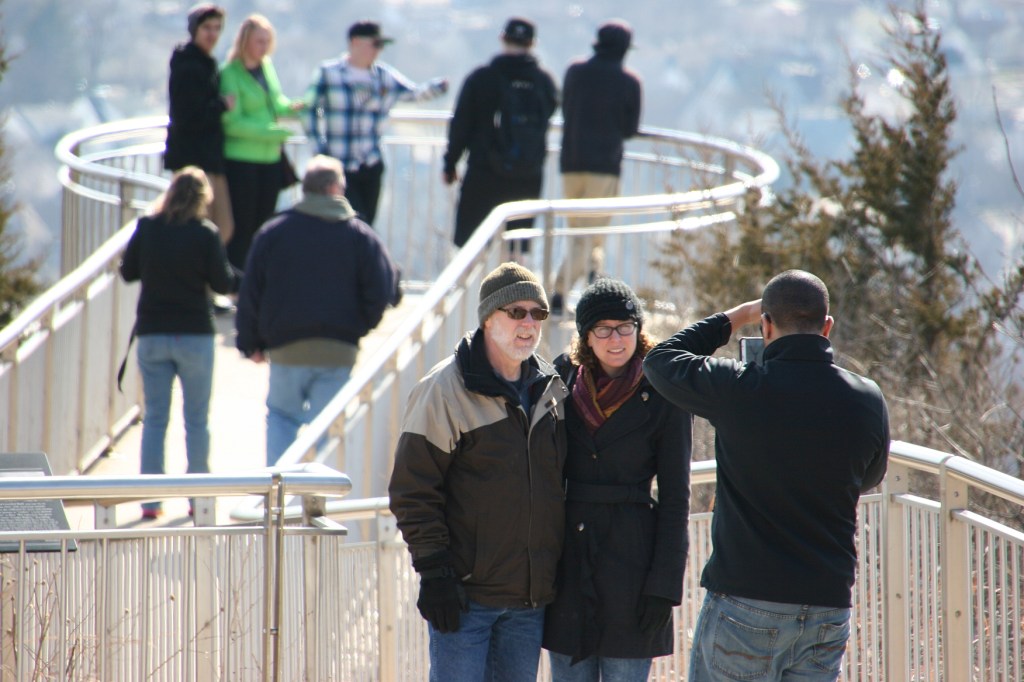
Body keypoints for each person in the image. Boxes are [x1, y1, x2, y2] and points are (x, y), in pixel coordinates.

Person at [642, 270, 890, 682]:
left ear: (766, 325)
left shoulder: (739, 388)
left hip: (747, 598)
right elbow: (868, 477)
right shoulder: (867, 397)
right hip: (828, 604)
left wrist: (735, 317)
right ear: (827, 326)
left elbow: (660, 361)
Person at [388, 262, 568, 682]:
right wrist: (434, 572)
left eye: (538, 313)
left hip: (528, 602)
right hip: (465, 599)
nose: (529, 324)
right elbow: (412, 490)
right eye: (516, 312)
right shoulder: (443, 390)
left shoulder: (550, 390)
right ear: (488, 318)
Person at [542, 278, 691, 681]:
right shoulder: (560, 378)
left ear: (639, 329)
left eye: (625, 327)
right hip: (570, 565)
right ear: (585, 336)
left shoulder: (663, 388)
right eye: (603, 329)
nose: (616, 339)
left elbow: (676, 498)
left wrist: (664, 587)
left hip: (634, 569)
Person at [235, 155, 401, 466]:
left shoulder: (274, 232)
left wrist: (250, 342)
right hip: (338, 351)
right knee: (328, 431)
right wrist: (358, 327)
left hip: (285, 349)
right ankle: (321, 494)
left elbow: (250, 292)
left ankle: (280, 491)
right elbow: (383, 288)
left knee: (282, 418)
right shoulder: (360, 235)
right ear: (335, 188)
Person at [119, 166, 241, 519]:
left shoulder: (148, 228)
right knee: (196, 420)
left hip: (153, 334)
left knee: (155, 418)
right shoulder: (205, 233)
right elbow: (222, 283)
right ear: (203, 199)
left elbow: (128, 272)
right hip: (194, 335)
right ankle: (197, 500)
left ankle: (150, 502)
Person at [305, 21, 449, 226]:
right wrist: (318, 150)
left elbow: (413, 93)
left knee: (366, 224)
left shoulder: (384, 76)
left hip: (371, 163)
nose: (377, 51)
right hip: (338, 165)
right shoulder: (329, 73)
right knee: (346, 221)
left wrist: (438, 87)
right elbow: (308, 109)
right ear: (355, 42)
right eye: (374, 44)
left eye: (380, 46)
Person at [550, 21, 642, 316]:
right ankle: (558, 293)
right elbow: (630, 129)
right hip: (604, 167)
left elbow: (565, 108)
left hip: (571, 163)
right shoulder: (629, 82)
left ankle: (594, 277)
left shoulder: (575, 71)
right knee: (589, 234)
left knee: (580, 231)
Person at [443, 17, 558, 252]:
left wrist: (450, 163)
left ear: (502, 39)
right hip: (527, 175)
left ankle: (478, 279)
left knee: (472, 246)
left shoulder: (481, 78)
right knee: (517, 248)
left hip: (484, 172)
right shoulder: (545, 82)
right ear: (532, 43)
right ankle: (516, 277)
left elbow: (461, 125)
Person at [220, 13, 305, 271]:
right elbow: (232, 122)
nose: (264, 47)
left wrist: (293, 108)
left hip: (270, 159)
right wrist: (274, 133)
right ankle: (237, 278)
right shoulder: (230, 73)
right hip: (242, 159)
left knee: (264, 224)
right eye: (259, 41)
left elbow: (275, 102)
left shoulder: (266, 67)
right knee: (242, 225)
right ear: (245, 41)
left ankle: (257, 277)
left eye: (268, 41)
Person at [164, 4, 234, 247]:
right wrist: (221, 105)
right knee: (204, 225)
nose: (213, 34)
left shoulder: (204, 62)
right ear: (195, 30)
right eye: (207, 28)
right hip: (194, 159)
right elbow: (188, 115)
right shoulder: (189, 64)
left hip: (207, 157)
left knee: (219, 226)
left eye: (217, 28)